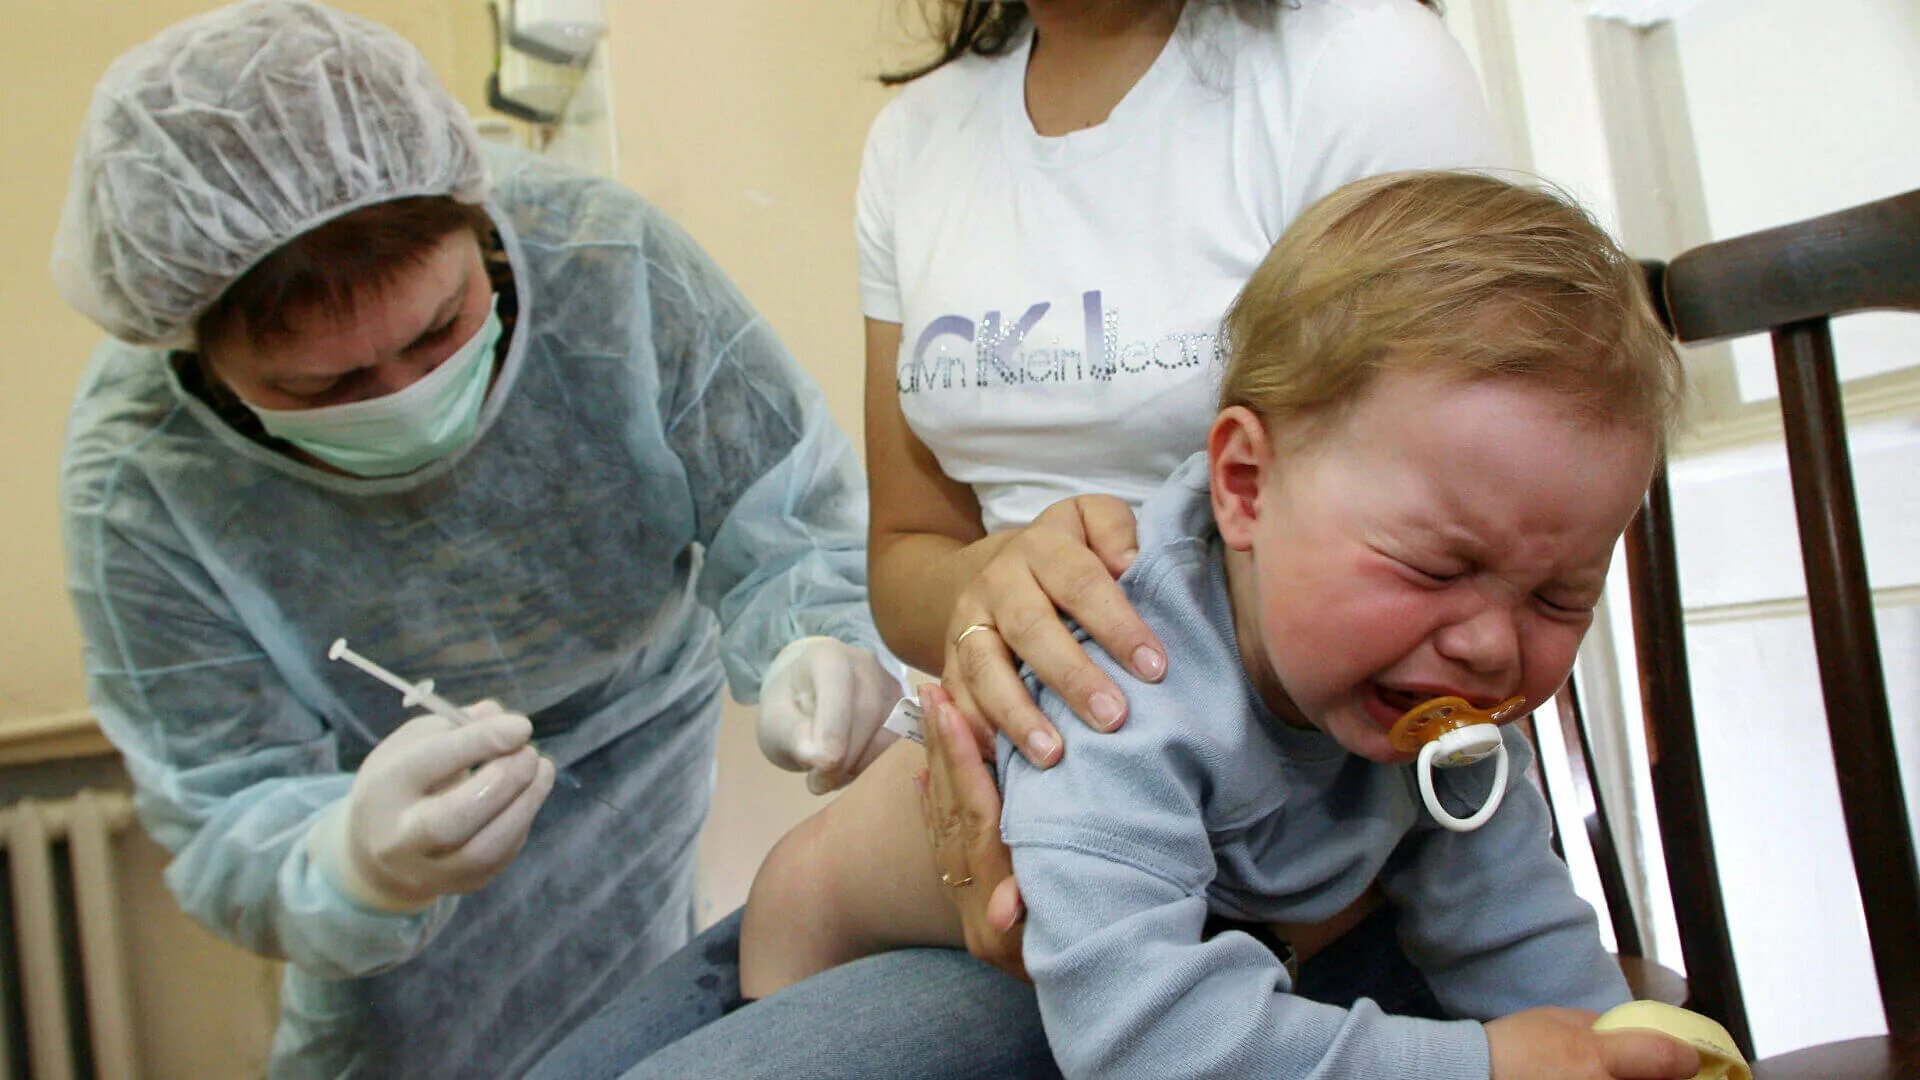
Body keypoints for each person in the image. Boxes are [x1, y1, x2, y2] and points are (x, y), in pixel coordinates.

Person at [530, 2, 1508, 1075]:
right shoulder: (920, 139)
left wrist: (1260, 918)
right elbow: (910, 550)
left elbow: (1485, 541)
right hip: (1004, 802)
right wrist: (1002, 588)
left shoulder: (1356, 69)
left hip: (1262, 858)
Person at [51, 2, 901, 1075]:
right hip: (372, 807)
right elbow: (225, 803)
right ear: (197, 350)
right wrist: (352, 865)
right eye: (329, 387)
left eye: (440, 330)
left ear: (479, 225)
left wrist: (817, 640)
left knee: (644, 1024)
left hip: (638, 734)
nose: (405, 397)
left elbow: (789, 519)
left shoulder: (602, 262)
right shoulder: (141, 477)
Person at [739, 170, 1702, 1080]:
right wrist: (1477, 1065)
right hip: (817, 935)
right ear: (1244, 486)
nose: (1490, 646)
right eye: (1436, 568)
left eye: (1558, 598)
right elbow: (1146, 1041)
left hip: (1093, 945)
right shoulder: (1122, 689)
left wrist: (1620, 1053)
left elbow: (1514, 930)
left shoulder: (1437, 704)